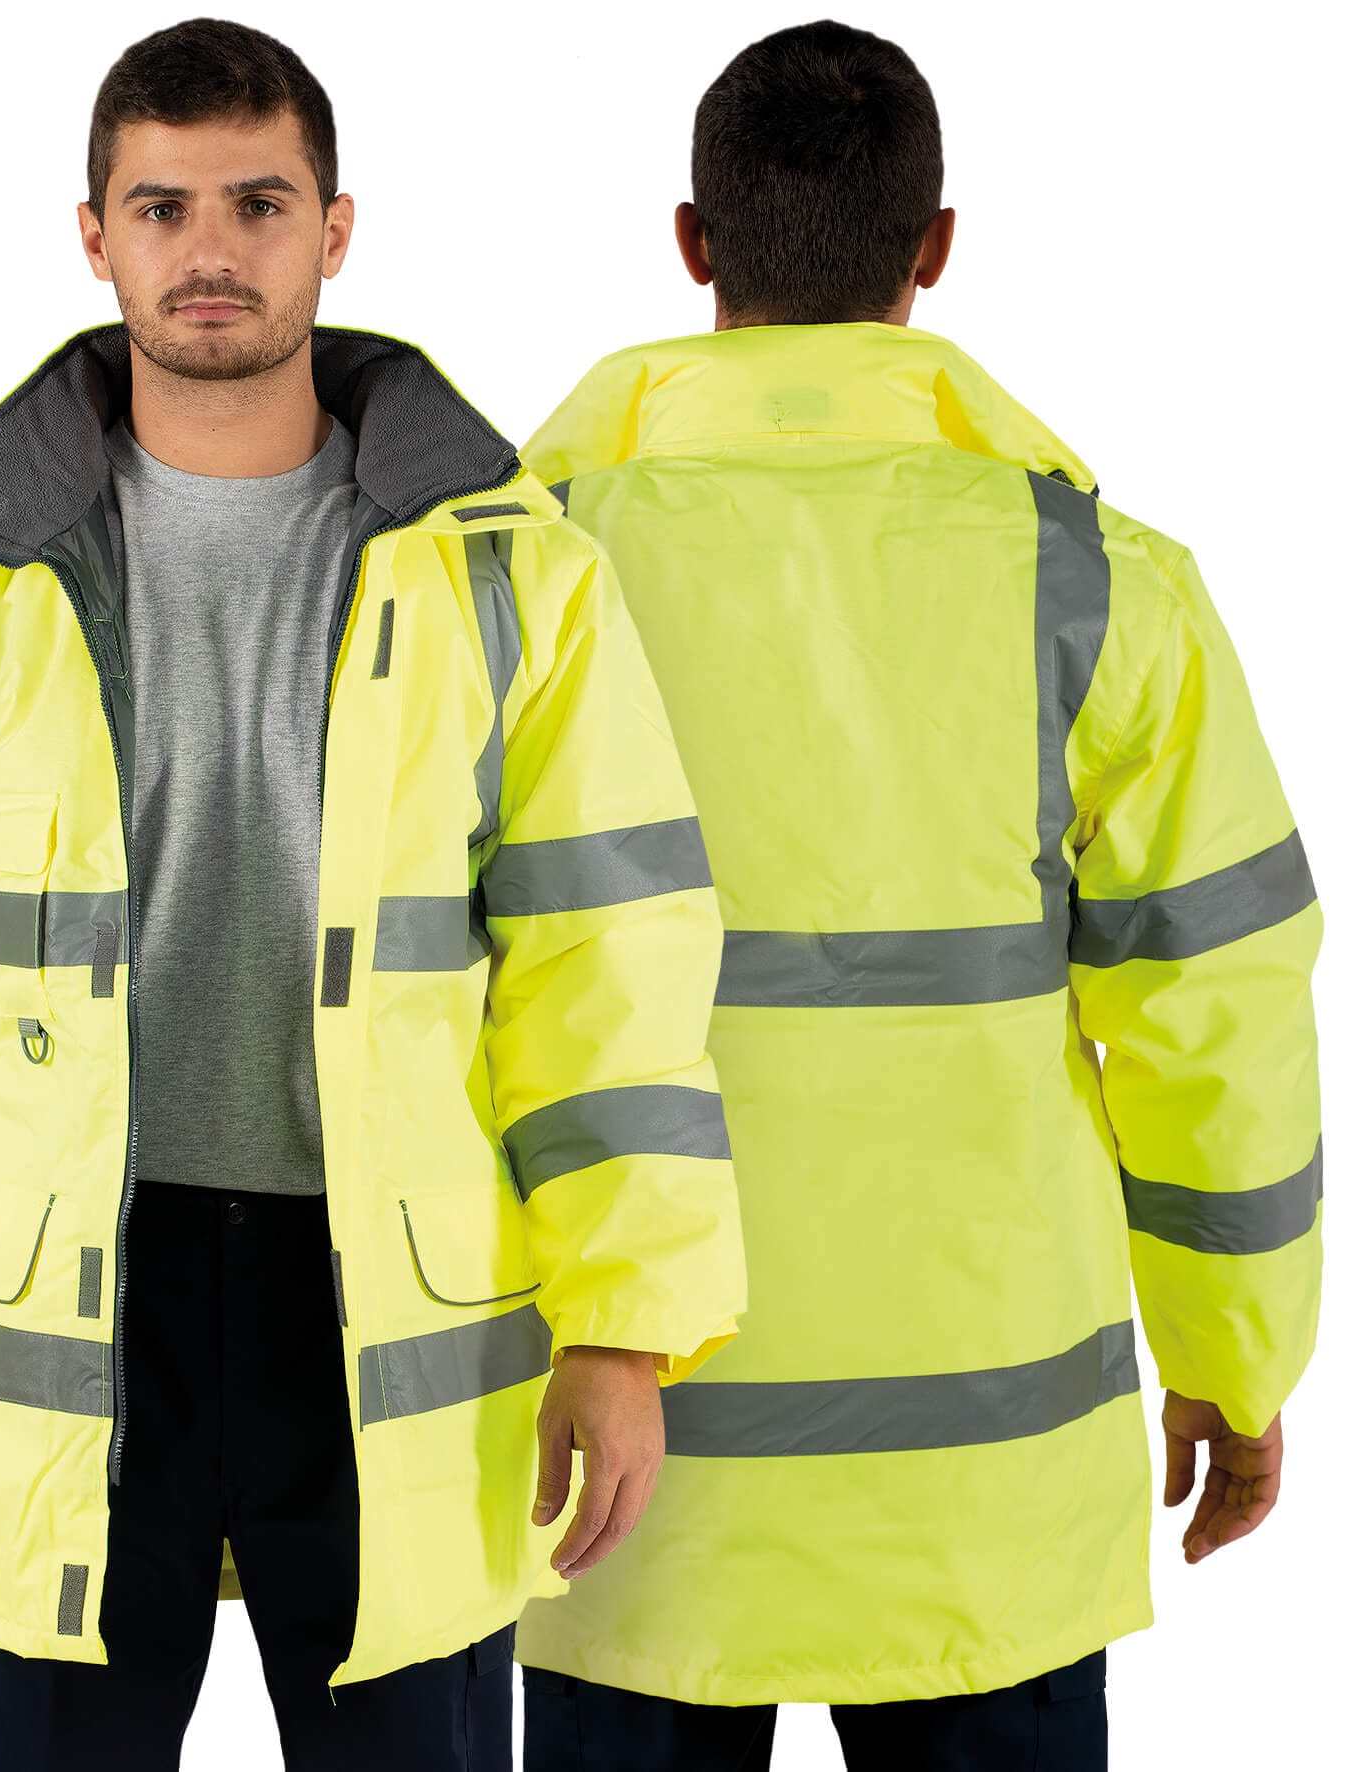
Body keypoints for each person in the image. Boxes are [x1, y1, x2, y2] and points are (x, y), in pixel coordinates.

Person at [0, 18, 747, 1771]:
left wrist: (623, 1329)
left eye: (258, 204)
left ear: (334, 230)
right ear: (92, 236)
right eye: (162, 207)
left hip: (393, 1301)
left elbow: (608, 968)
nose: (210, 250)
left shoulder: (515, 575)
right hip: (68, 1316)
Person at [514, 19, 1323, 1772]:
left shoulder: (521, 580)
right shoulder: (1094, 584)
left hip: (623, 1489)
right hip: (988, 1502)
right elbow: (1217, 1015)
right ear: (934, 247)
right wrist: (1232, 1357)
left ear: (692, 245)